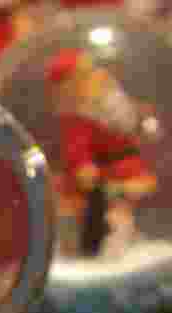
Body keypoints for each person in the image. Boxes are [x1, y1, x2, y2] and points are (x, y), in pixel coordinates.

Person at [48, 49, 157, 258]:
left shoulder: (111, 106)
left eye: (95, 70)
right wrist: (84, 167)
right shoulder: (77, 120)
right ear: (71, 88)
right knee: (104, 212)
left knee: (121, 208)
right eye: (87, 75)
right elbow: (77, 152)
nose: (100, 76)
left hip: (121, 170)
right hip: (102, 178)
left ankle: (121, 239)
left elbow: (132, 126)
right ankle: (98, 246)